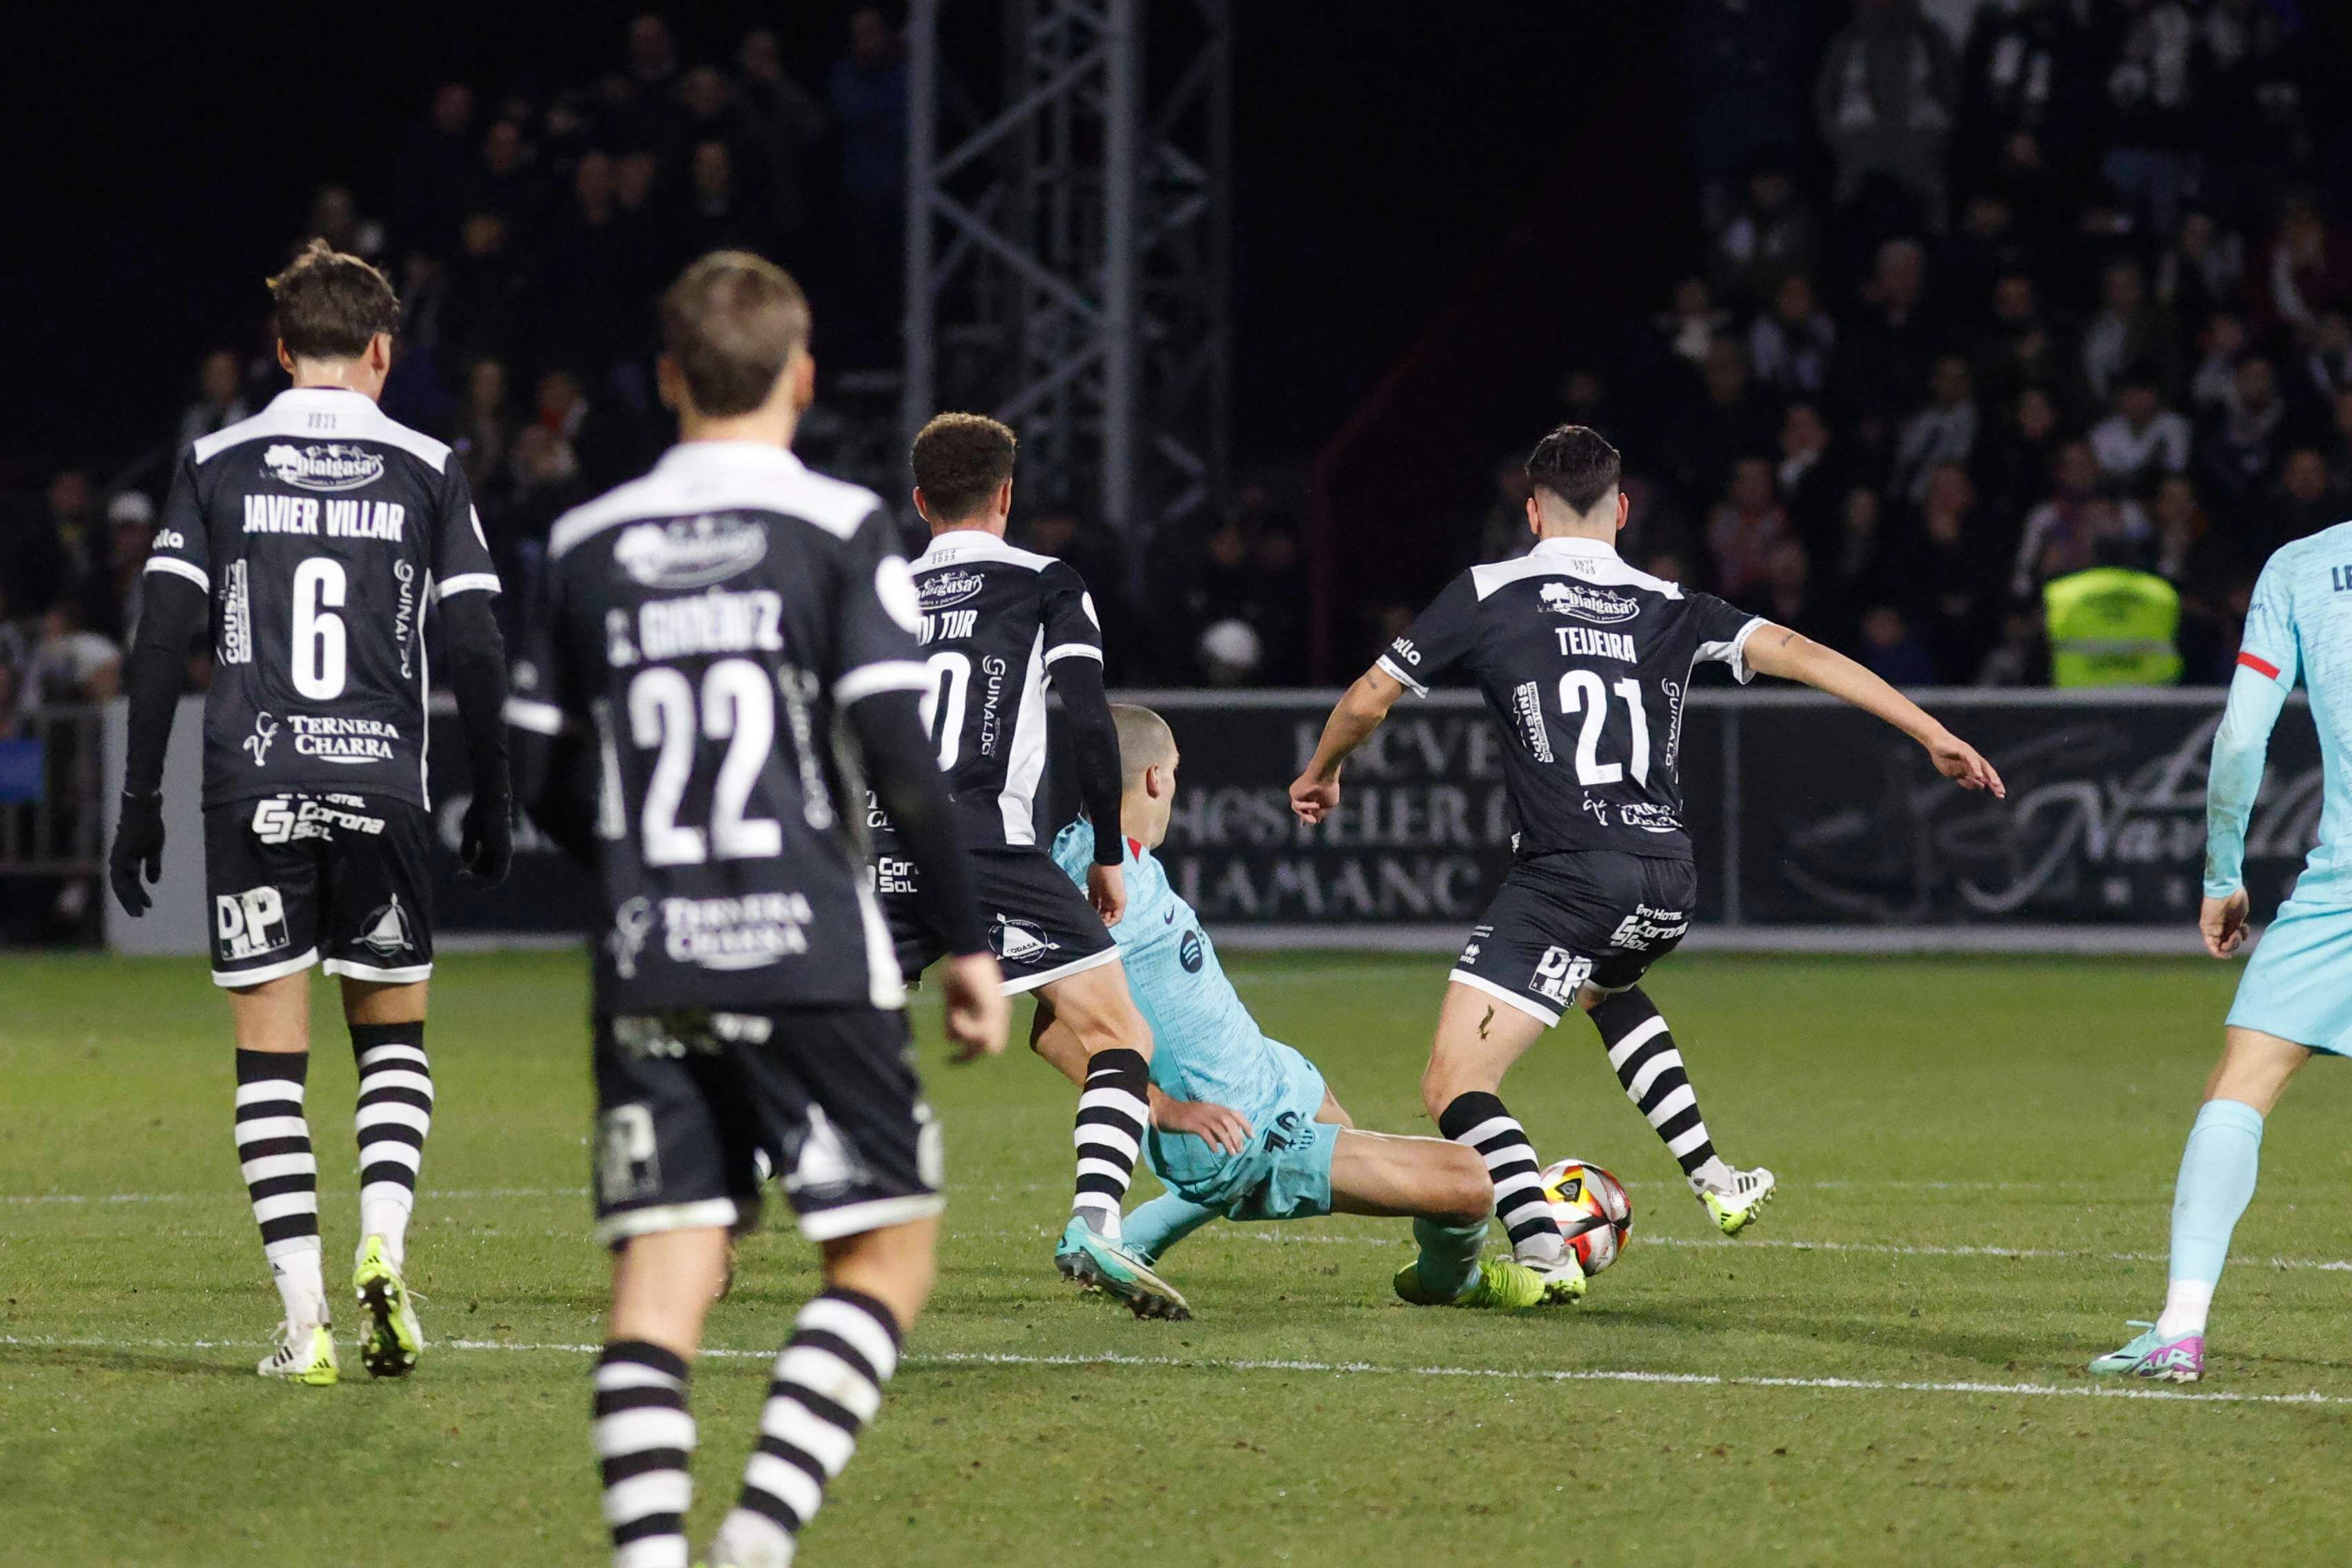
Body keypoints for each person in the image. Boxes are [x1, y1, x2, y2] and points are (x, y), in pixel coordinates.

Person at [505, 251, 1010, 1568]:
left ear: (667, 377)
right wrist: (966, 944)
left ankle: (653, 1555)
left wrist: (629, 870)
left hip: (650, 952)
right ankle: (758, 1538)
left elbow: (542, 778)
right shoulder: (842, 530)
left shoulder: (580, 541)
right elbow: (900, 760)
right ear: (802, 375)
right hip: (811, 951)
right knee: (885, 1256)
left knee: (663, 1275)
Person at [1288, 426, 2006, 1300]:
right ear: (1621, 510)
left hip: (1570, 872)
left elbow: (1369, 698)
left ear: (1530, 512)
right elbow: (1804, 655)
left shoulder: (1489, 591)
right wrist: (1932, 731)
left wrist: (1322, 771)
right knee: (1608, 985)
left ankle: (1544, 1252)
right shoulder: (1672, 603)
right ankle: (1711, 1175)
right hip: (1669, 877)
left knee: (1455, 1082)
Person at [106, 239, 516, 1384]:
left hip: (253, 783)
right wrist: (492, 787)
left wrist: (140, 802)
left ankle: (305, 1324)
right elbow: (476, 641)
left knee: (269, 1066)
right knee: (392, 1042)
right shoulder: (430, 464)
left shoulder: (219, 458)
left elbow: (157, 642)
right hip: (381, 783)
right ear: (382, 350)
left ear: (279, 352)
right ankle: (384, 1245)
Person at [1045, 705, 1535, 1309]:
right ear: (1154, 778)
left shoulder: (1117, 857)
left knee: (1332, 1110)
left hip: (1271, 1073)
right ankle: (1456, 1286)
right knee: (1469, 1182)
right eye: (1174, 771)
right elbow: (1052, 1030)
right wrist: (1166, 1110)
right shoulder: (1089, 884)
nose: (1175, 784)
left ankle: (1143, 1234)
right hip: (1244, 1137)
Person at [883, 412, 1195, 1319]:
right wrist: (1106, 849)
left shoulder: (885, 589)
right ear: (1007, 495)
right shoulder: (1044, 581)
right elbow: (1087, 719)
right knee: (1118, 1036)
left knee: (826, 1037)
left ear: (919, 500)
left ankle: (711, 1218)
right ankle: (1097, 1221)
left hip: (883, 843)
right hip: (983, 843)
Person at [2091, 516, 2352, 1384]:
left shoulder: (2304, 566)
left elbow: (2241, 738)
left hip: (2343, 893)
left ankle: (2182, 1324)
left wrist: (2223, 870)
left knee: (2243, 1082)